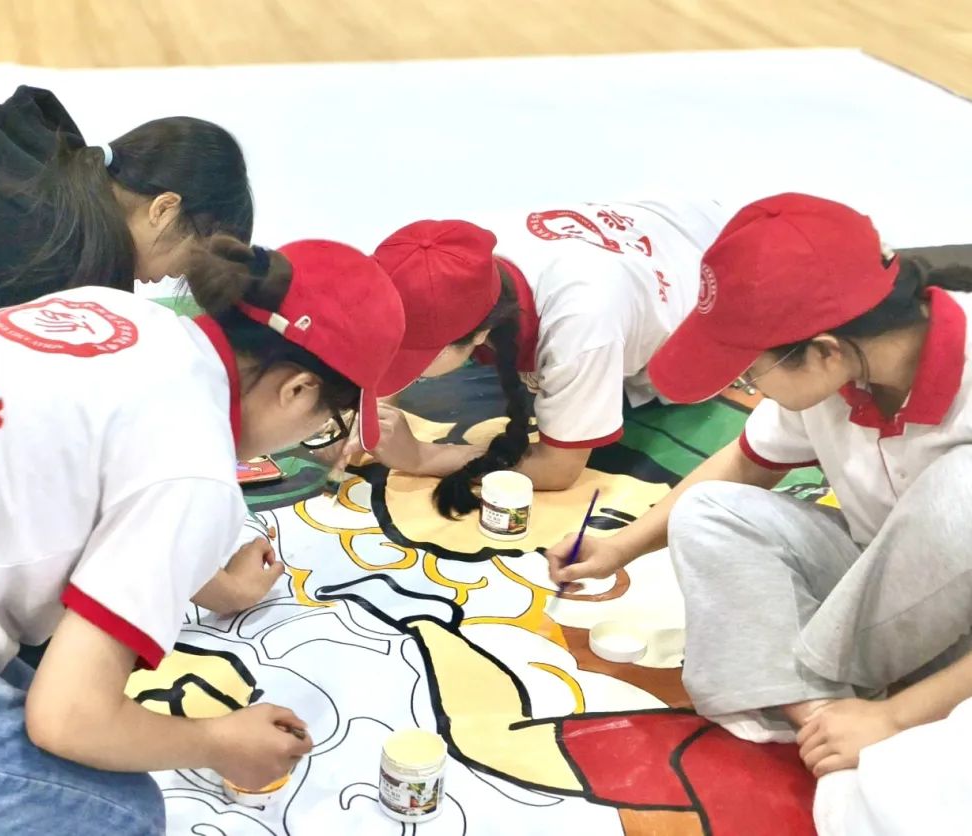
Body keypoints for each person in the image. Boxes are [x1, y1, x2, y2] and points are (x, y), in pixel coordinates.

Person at [0, 235, 404, 833]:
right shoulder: (196, 467)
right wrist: (218, 741)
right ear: (298, 391)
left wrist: (220, 585)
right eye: (328, 425)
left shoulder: (114, 311)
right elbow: (67, 719)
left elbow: (102, 483)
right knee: (118, 813)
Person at [547, 192, 972, 779]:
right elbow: (746, 464)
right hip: (880, 601)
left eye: (750, 373)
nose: (748, 386)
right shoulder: (845, 367)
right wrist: (620, 546)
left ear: (823, 353)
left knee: (962, 492)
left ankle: (882, 716)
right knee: (710, 509)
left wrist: (897, 718)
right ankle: (820, 715)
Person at [351, 199, 726, 515]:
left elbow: (558, 468)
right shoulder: (454, 255)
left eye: (412, 356)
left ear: (480, 334)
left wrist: (420, 456)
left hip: (714, 278)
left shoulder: (581, 326)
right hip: (660, 219)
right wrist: (368, 415)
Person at [0, 85, 253, 339]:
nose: (172, 276)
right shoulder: (54, 262)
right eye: (189, 261)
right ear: (164, 209)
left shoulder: (36, 167)